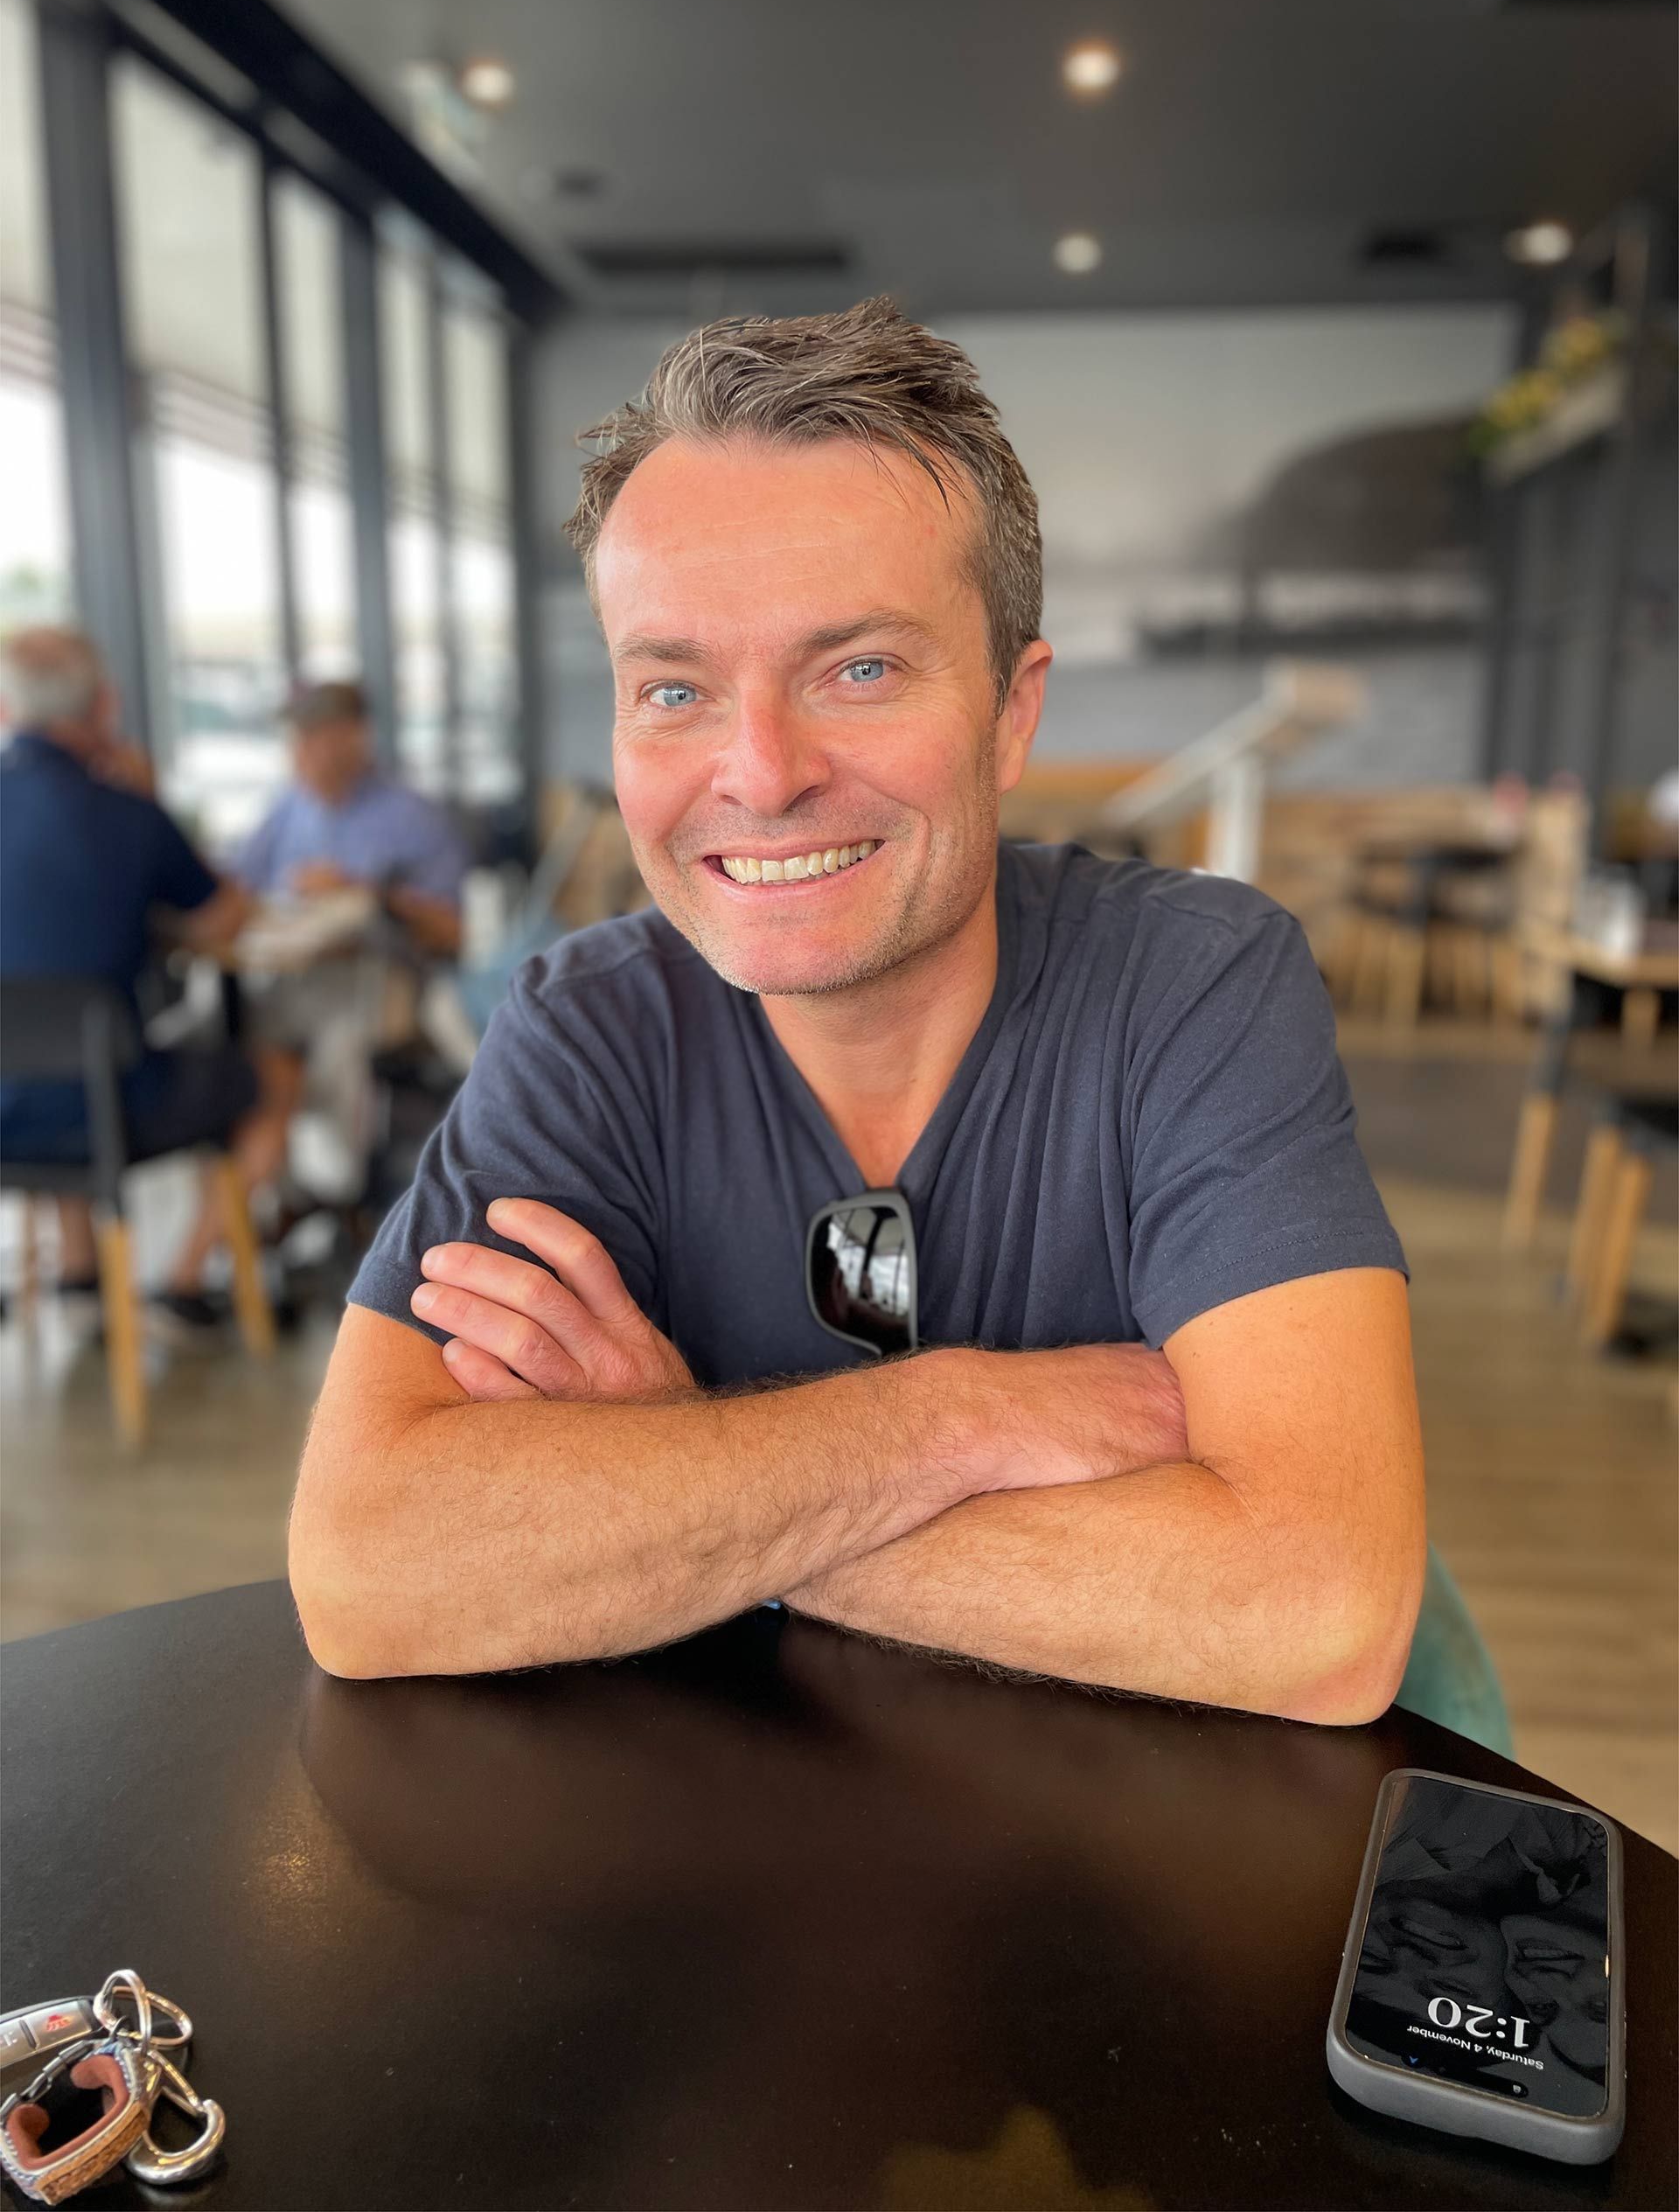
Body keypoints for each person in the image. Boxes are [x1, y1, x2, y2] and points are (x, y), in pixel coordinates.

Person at [290, 298, 1426, 1721]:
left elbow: (1318, 1608)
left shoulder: (1195, 987)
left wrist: (674, 1473)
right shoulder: (589, 1029)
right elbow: (368, 1568)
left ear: (1013, 713)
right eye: (676, 687)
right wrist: (957, 1420)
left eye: (861, 668)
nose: (760, 774)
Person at [0, 626, 275, 1335]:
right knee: (268, 1079)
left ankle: (78, 1277)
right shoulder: (126, 813)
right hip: (104, 1107)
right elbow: (222, 919)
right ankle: (182, 1284)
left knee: (56, 1049)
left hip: (8, 1107)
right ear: (105, 707)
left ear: (10, 710)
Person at [233, 680, 468, 1202]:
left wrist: (363, 894)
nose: (304, 751)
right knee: (234, 1042)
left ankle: (344, 1195)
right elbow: (232, 890)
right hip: (293, 978)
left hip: (383, 980)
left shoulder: (411, 816)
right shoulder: (288, 808)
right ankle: (282, 1194)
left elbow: (455, 932)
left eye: (319, 735)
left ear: (356, 738)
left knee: (336, 1044)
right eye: (299, 737)